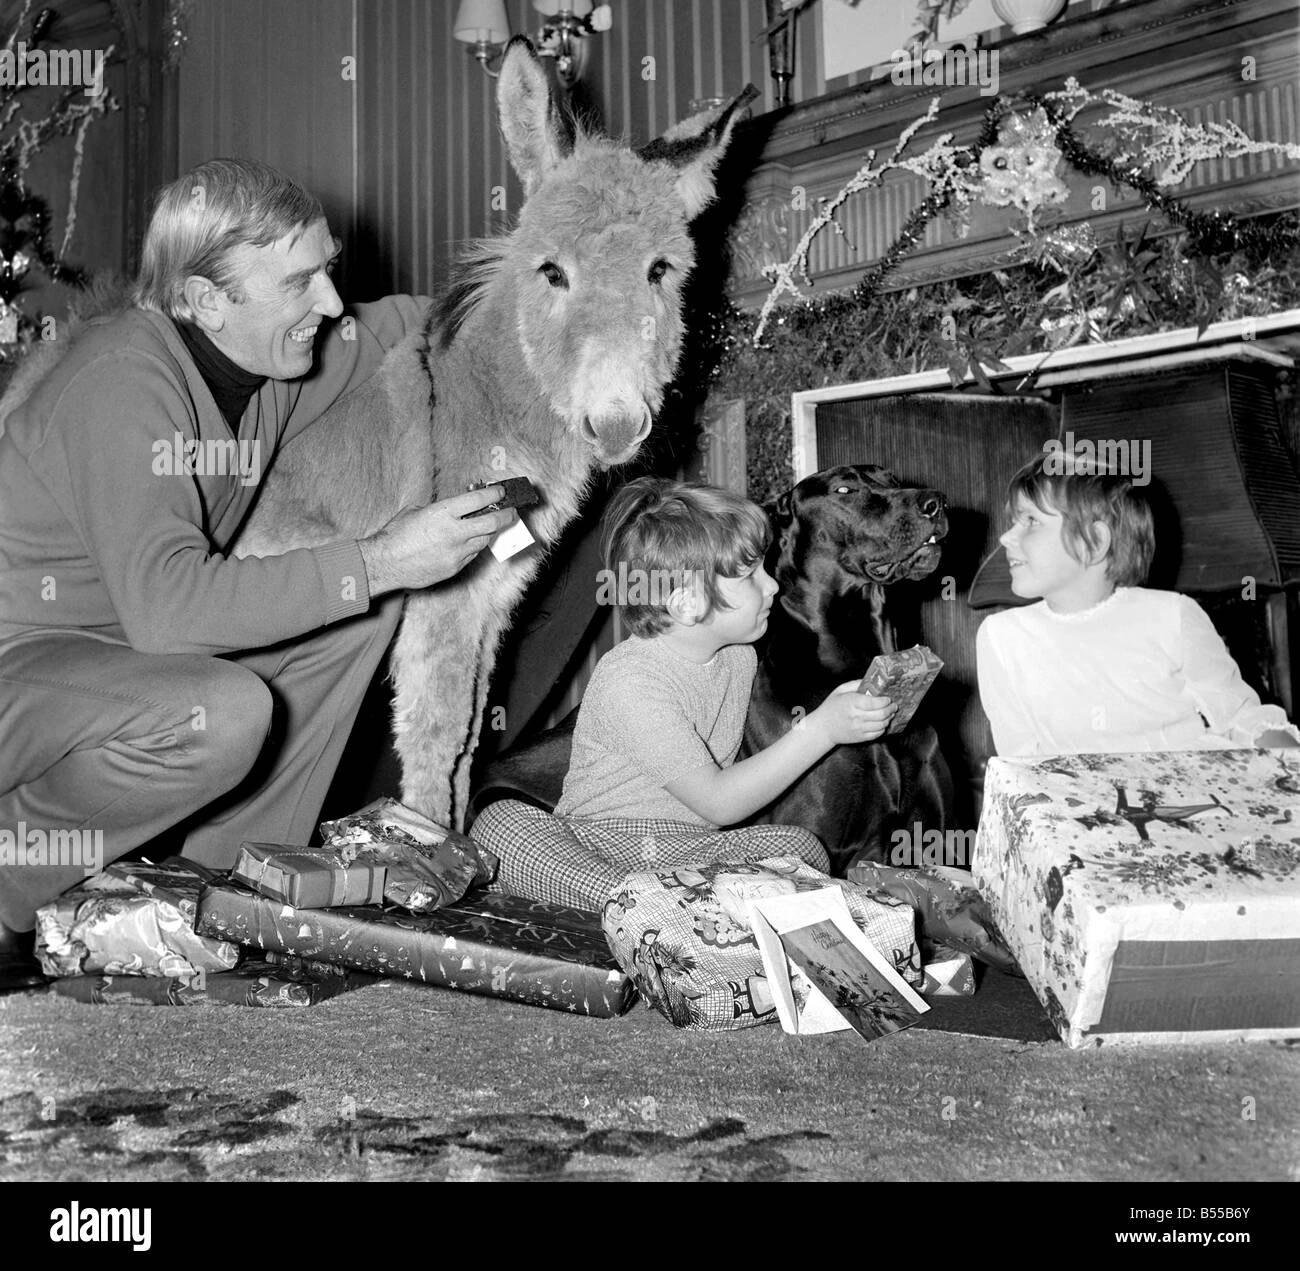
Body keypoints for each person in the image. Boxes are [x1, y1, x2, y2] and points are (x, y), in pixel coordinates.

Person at [0, 158, 517, 990]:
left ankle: (223, 890)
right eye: (299, 281)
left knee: (359, 607)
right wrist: (383, 556)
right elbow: (168, 612)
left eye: (328, 268)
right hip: (22, 665)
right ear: (206, 299)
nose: (330, 302)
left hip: (106, 662)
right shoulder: (123, 380)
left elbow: (413, 324)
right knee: (227, 709)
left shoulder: (273, 363)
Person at [471, 477, 897, 908]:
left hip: (690, 852)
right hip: (600, 844)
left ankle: (682, 906)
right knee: (499, 827)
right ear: (686, 603)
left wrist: (848, 701)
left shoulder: (738, 657)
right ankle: (639, 904)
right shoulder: (630, 679)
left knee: (801, 847)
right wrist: (822, 730)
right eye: (750, 576)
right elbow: (719, 802)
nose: (771, 586)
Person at [976, 452, 1300, 756]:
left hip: (1185, 798)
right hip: (1079, 811)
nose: (1006, 538)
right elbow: (1020, 760)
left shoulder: (1172, 615)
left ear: (1096, 541)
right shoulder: (1002, 636)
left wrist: (1288, 763)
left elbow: (1240, 717)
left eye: (1030, 521)